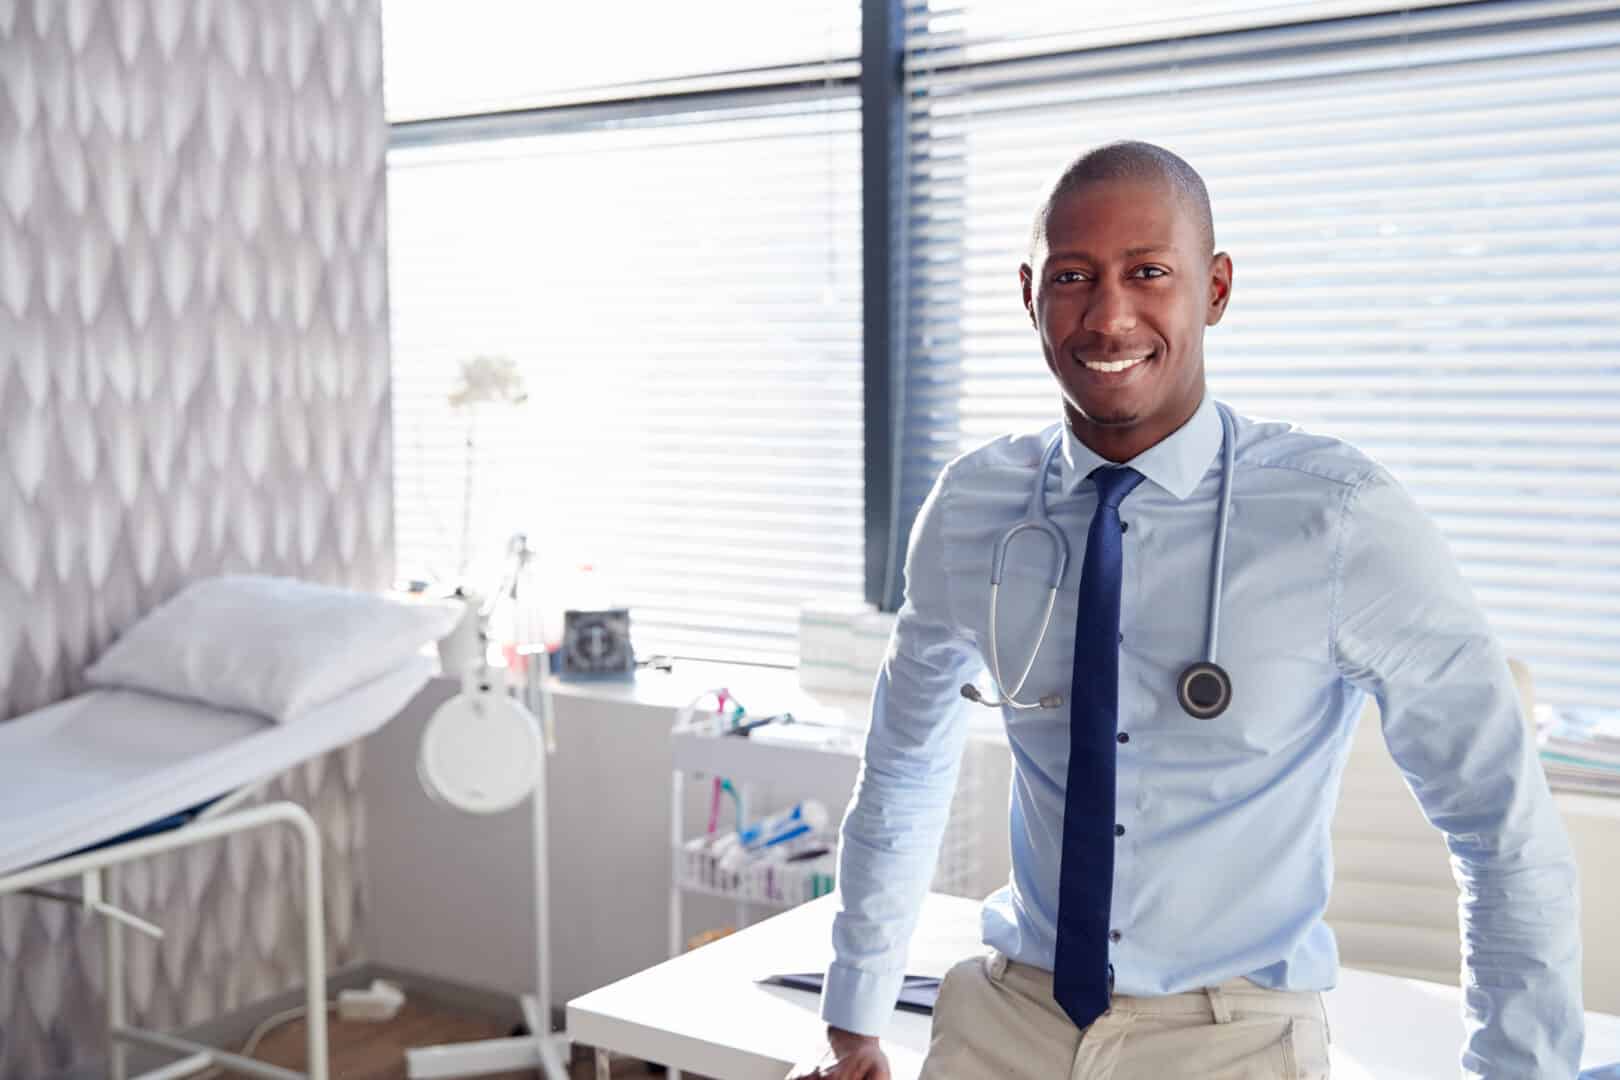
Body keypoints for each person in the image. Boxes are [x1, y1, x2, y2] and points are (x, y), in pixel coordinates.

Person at [786, 141, 1583, 1079]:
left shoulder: (1338, 519)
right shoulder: (975, 506)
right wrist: (855, 1016)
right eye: (1073, 275)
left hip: (1233, 1034)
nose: (1108, 314)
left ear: (1216, 288)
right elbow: (903, 768)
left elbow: (1500, 822)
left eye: (1149, 273)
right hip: (1005, 1017)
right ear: (1030, 294)